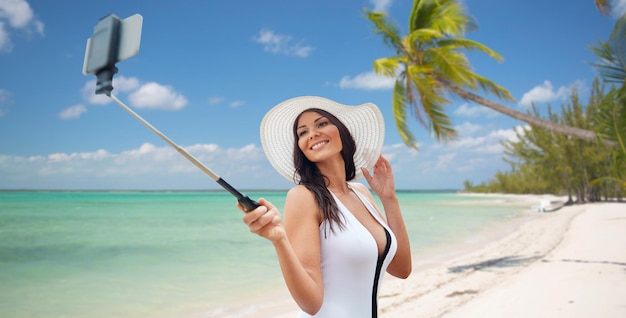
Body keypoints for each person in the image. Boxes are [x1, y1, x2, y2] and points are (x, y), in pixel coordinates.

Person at [237, 96, 412, 317]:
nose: (312, 134)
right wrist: (280, 240)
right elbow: (311, 305)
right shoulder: (303, 197)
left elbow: (402, 269)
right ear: (301, 148)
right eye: (302, 132)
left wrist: (389, 199)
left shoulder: (362, 193)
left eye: (321, 124)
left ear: (342, 131)